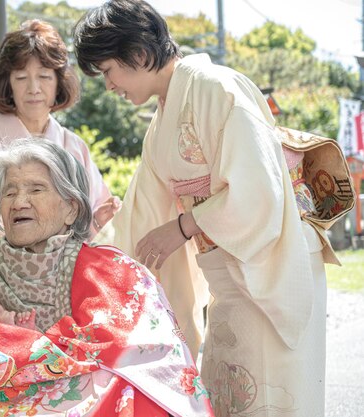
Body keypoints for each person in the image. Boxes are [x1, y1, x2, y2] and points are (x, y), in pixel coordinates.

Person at [73, 1, 338, 416]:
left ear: (139, 54)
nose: (109, 85)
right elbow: (141, 214)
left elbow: (260, 190)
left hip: (271, 263)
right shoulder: (160, 123)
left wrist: (184, 224)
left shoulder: (214, 86)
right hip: (229, 277)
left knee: (273, 394)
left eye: (107, 70)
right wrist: (89, 265)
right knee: (227, 392)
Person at [0, 139, 214, 417]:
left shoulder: (114, 271)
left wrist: (16, 357)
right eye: (9, 193)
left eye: (36, 189)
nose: (19, 202)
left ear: (71, 209)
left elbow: (146, 354)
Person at [0, 19, 120, 283]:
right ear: (7, 84)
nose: (33, 88)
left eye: (44, 76)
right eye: (21, 78)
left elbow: (90, 213)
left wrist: (99, 219)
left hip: (60, 280)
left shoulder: (73, 147)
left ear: (59, 82)